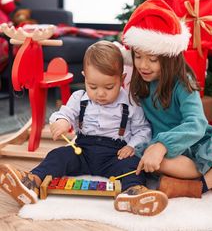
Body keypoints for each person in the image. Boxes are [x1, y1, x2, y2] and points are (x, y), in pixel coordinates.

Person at [0, 40, 168, 216]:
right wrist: (62, 121)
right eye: (93, 86)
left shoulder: (131, 102)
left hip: (115, 155)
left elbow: (143, 130)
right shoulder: (79, 98)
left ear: (122, 79)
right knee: (58, 155)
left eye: (109, 87)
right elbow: (64, 113)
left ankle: (132, 193)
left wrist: (132, 146)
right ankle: (31, 182)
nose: (100, 93)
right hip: (82, 151)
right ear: (85, 77)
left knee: (132, 165)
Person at [118, 0, 212, 198]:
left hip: (193, 142)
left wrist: (163, 145)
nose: (143, 65)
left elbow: (197, 123)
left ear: (170, 56)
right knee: (144, 160)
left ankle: (199, 187)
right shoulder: (139, 81)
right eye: (138, 56)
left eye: (153, 59)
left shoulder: (182, 82)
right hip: (166, 155)